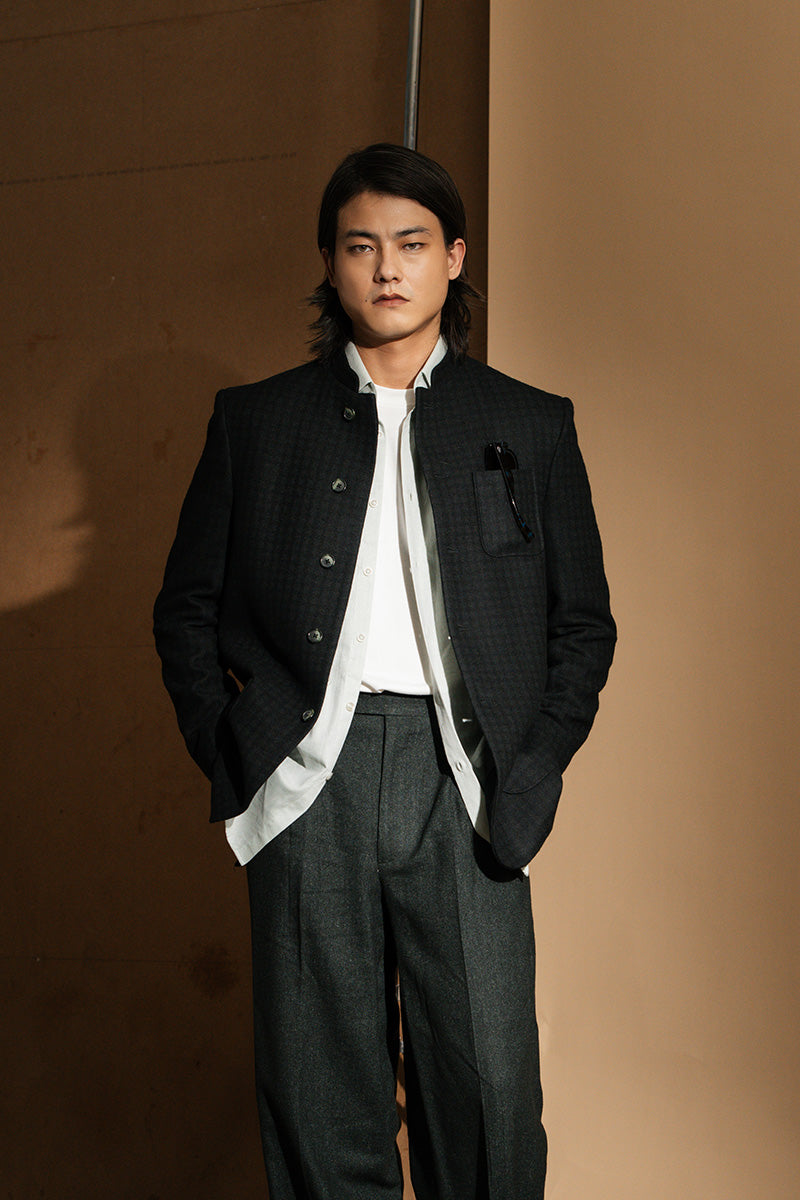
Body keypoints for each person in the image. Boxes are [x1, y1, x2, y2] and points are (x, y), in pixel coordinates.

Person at [153, 143, 615, 1200]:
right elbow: (185, 610)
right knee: (319, 1100)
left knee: (490, 1093)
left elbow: (581, 626)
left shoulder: (529, 423)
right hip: (308, 774)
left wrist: (535, 763)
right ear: (330, 262)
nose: (387, 267)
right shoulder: (255, 421)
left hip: (470, 780)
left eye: (411, 243)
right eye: (360, 246)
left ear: (454, 257)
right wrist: (234, 749)